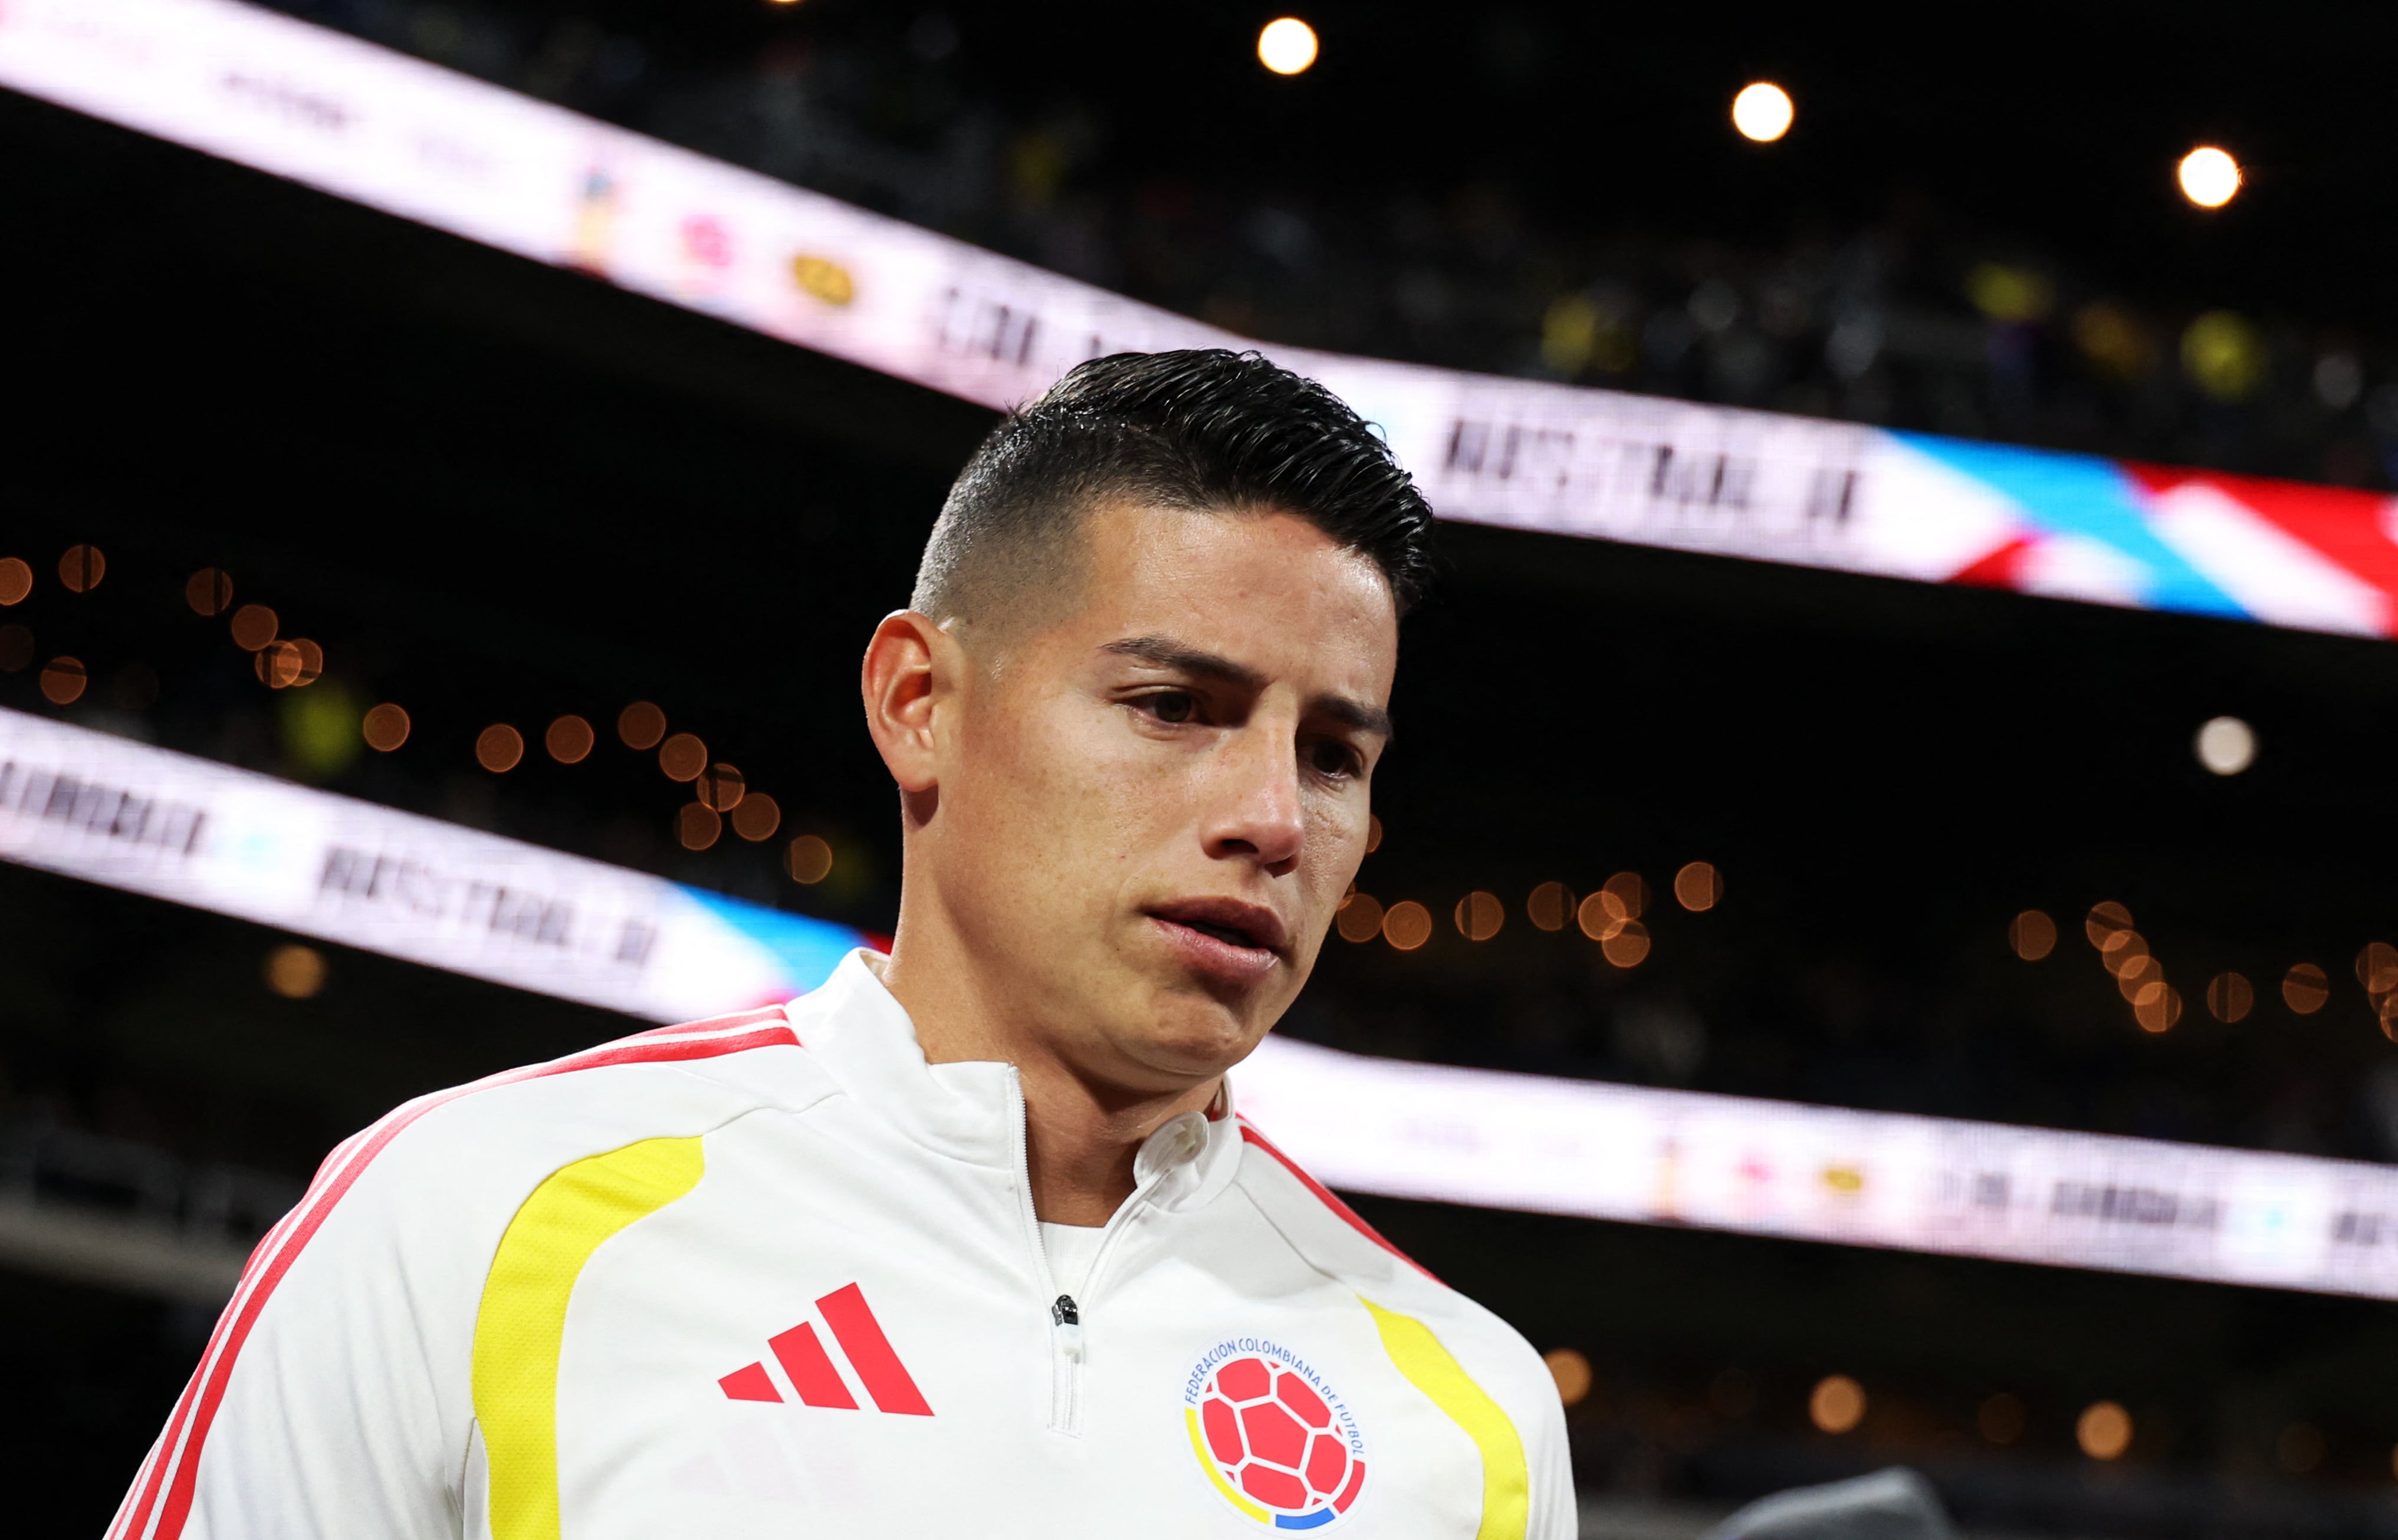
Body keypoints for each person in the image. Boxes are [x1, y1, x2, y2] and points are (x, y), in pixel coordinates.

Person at [107, 350, 1574, 1539]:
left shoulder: (1471, 1421)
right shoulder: (468, 1217)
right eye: (1172, 708)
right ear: (917, 702)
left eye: (1330, 753)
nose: (1269, 817)